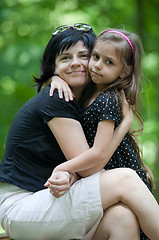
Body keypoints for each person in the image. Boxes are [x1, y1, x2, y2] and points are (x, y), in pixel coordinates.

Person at [0, 24, 158, 240]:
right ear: (53, 67)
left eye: (84, 55)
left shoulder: (87, 99)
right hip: (23, 204)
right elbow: (90, 169)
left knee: (122, 218)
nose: (76, 63)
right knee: (126, 179)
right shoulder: (56, 97)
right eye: (65, 58)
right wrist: (123, 126)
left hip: (50, 199)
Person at [46, 28, 159, 240]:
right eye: (95, 57)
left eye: (109, 62)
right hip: (109, 178)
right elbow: (67, 71)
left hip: (119, 174)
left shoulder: (107, 99)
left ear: (124, 72)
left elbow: (97, 157)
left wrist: (62, 168)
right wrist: (55, 77)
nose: (97, 65)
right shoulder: (90, 90)